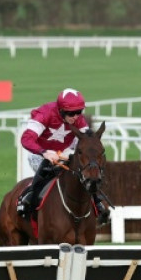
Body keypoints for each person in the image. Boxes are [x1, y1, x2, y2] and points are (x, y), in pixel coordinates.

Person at [16, 88, 111, 224]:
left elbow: (87, 139)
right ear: (60, 110)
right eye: (71, 113)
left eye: (79, 112)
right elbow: (26, 139)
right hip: (40, 154)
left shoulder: (77, 119)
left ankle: (96, 202)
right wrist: (45, 152)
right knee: (50, 170)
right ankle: (28, 199)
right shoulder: (44, 114)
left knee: (83, 173)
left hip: (65, 153)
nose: (76, 116)